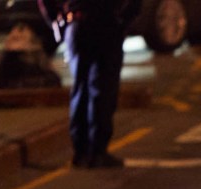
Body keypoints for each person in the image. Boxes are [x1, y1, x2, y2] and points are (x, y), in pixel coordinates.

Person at [37, 0, 141, 169]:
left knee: (81, 88)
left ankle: (81, 151)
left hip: (77, 25)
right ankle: (97, 151)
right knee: (103, 90)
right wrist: (124, 21)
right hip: (106, 25)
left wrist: (57, 21)